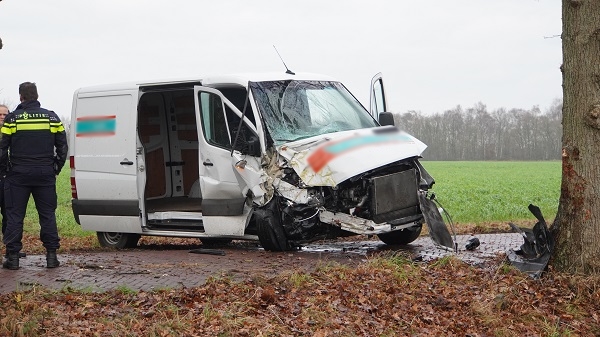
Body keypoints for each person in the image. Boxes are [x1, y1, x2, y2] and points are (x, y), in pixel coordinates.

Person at [0, 82, 68, 270]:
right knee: (47, 215)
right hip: (45, 174)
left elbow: (2, 148)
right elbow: (62, 146)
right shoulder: (51, 118)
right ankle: (51, 256)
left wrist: (5, 170)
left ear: (21, 97)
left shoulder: (12, 119)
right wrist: (55, 168)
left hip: (18, 175)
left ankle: (13, 259)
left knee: (14, 216)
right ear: (37, 96)